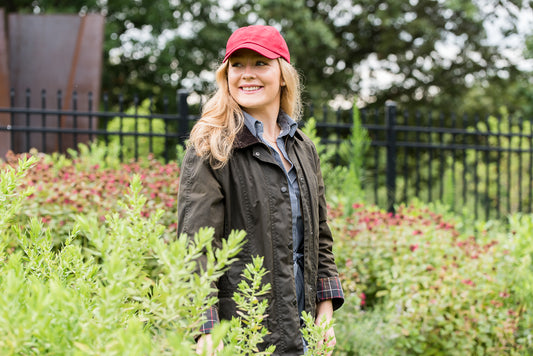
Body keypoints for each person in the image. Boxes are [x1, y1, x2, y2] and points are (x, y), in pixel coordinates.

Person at [177, 24, 344, 356]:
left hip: (304, 325)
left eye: (260, 63)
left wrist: (324, 314)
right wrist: (205, 327)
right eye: (237, 65)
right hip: (245, 328)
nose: (246, 75)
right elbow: (196, 247)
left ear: (282, 74)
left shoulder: (302, 148)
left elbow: (319, 237)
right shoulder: (212, 146)